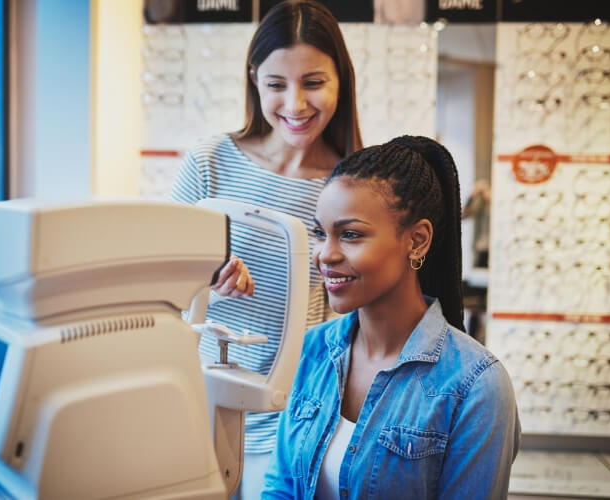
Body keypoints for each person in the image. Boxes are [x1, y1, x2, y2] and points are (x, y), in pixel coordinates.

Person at [169, 1, 362, 498]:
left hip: (302, 419)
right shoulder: (209, 163)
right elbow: (158, 286)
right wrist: (204, 277)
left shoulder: (353, 185)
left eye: (314, 83)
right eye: (277, 84)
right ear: (254, 78)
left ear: (341, 79)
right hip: (201, 406)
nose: (295, 105)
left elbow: (360, 316)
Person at [262, 136, 521, 499]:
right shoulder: (314, 349)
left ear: (417, 240)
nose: (325, 254)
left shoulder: (477, 386)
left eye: (350, 234)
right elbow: (281, 487)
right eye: (321, 233)